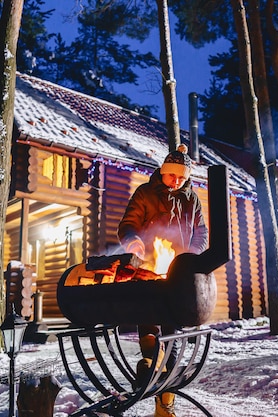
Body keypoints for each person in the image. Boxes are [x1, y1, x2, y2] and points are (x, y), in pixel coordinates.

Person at [118, 144, 208, 417]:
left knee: (174, 337)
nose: (177, 180)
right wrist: (132, 241)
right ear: (163, 171)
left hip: (177, 274)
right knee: (150, 327)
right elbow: (128, 224)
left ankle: (164, 404)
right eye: (172, 175)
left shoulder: (192, 200)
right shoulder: (145, 193)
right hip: (147, 270)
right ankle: (148, 363)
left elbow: (201, 233)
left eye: (181, 177)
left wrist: (192, 255)